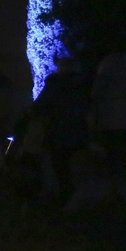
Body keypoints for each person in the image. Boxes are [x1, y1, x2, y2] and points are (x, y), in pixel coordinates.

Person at [32, 56, 91, 204]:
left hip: (57, 130)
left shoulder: (54, 84)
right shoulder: (83, 86)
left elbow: (40, 105)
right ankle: (72, 194)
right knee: (72, 164)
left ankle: (61, 193)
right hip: (78, 131)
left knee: (57, 163)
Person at [89, 52, 126, 195]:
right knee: (122, 157)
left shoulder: (100, 83)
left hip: (105, 125)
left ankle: (108, 189)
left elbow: (94, 104)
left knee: (108, 157)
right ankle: (118, 189)